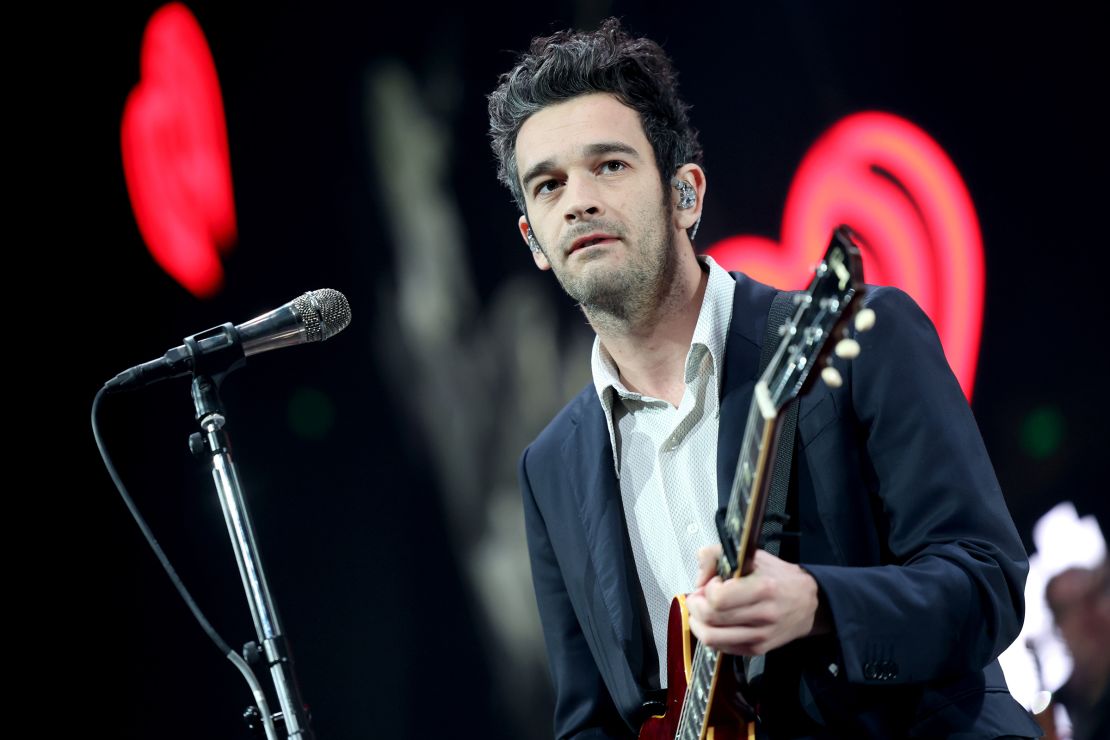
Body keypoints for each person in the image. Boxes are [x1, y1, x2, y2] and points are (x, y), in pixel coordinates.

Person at [489, 18, 1041, 739]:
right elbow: (591, 720)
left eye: (611, 166)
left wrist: (819, 604)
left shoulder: (865, 336)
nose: (578, 200)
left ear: (684, 194)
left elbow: (986, 582)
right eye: (550, 184)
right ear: (534, 238)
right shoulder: (550, 466)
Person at [1045, 562, 1109, 740]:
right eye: (1070, 608)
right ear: (1058, 627)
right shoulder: (1048, 720)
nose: (1086, 618)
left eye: (1093, 600)